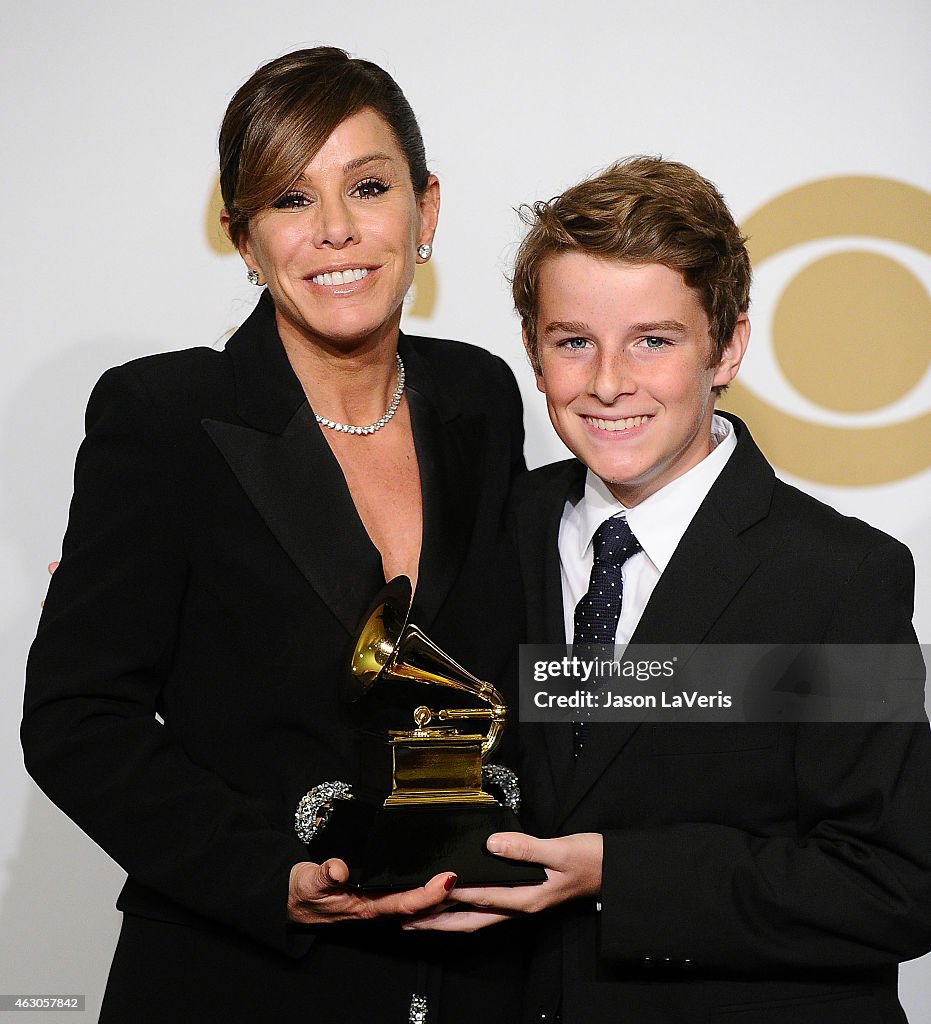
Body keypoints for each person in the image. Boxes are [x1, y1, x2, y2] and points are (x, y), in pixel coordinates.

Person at [22, 48, 528, 1023]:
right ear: (242, 239)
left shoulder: (480, 396)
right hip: (243, 973)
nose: (336, 229)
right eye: (290, 199)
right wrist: (270, 874)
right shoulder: (164, 417)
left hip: (472, 976)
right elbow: (77, 719)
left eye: (368, 187)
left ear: (425, 212)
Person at [407, 157, 931, 1022]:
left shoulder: (837, 578)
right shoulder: (496, 529)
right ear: (534, 356)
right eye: (572, 341)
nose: (608, 381)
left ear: (726, 347)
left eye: (653, 340)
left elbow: (893, 881)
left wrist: (622, 874)